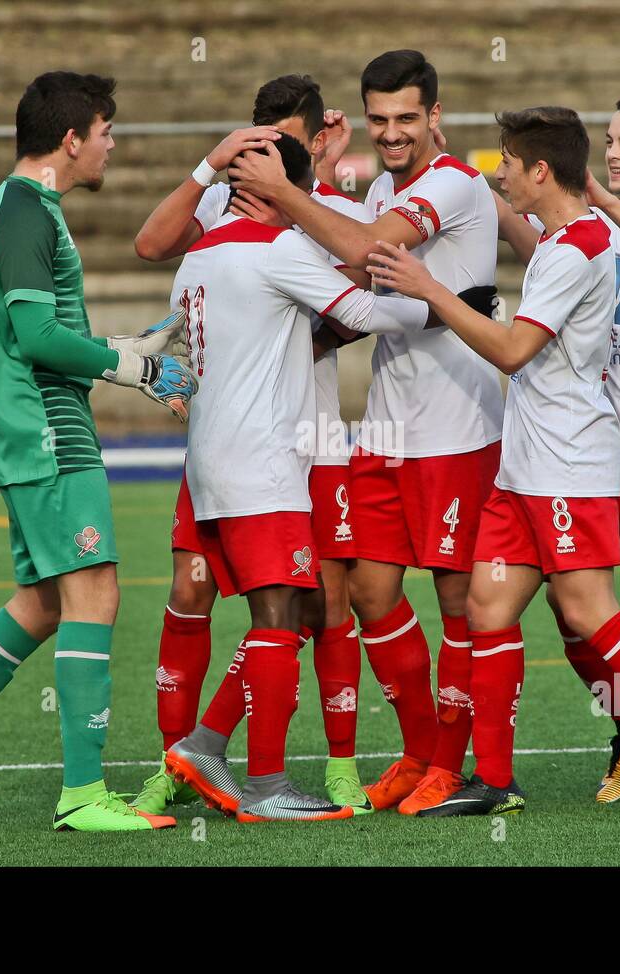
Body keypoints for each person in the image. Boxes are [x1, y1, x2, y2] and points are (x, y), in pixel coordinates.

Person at [367, 106, 620, 815]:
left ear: (539, 171)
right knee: (487, 606)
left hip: (567, 463)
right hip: (525, 465)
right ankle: (496, 782)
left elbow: (511, 350)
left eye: (507, 162)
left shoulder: (578, 247)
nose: (498, 173)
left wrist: (428, 286)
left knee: (592, 612)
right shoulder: (576, 237)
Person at [0, 71, 196, 833]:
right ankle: (84, 795)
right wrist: (133, 367)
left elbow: (45, 338)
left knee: (48, 603)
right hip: (47, 435)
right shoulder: (24, 212)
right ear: (71, 138)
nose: (113, 144)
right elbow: (36, 338)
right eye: (105, 130)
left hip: (35, 430)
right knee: (96, 594)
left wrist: (121, 350)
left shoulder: (20, 207)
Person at [228, 50, 502, 815]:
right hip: (386, 423)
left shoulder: (452, 182)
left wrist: (284, 188)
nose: (391, 133)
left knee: (459, 603)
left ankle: (452, 763)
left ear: (435, 116)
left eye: (406, 119)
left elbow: (361, 248)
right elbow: (356, 270)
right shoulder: (385, 183)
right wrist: (311, 168)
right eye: (378, 120)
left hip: (456, 426)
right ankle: (419, 750)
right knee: (374, 594)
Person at [161, 134, 440, 822]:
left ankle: (204, 744)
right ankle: (265, 786)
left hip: (211, 463)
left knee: (289, 605)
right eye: (295, 194)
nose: (303, 212)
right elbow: (365, 312)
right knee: (280, 614)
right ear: (270, 189)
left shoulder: (197, 256)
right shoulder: (275, 249)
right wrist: (442, 303)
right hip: (263, 463)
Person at [129, 75, 374, 815]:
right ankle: (180, 766)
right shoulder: (229, 199)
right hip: (235, 440)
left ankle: (335, 764)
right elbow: (152, 245)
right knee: (191, 591)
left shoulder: (331, 207)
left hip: (309, 434)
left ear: (312, 139)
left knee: (319, 605)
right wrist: (211, 165)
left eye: (284, 138)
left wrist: (296, 336)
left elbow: (362, 287)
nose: (264, 148)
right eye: (256, 133)